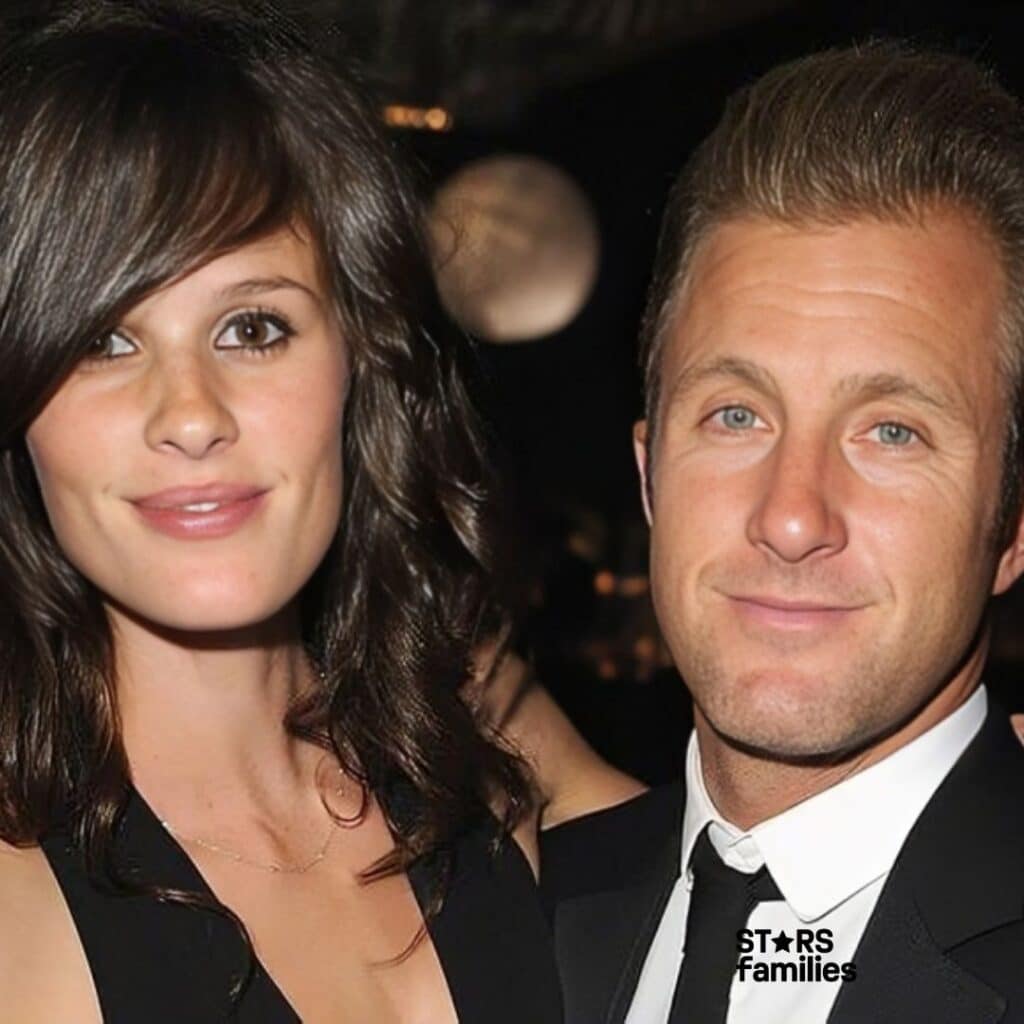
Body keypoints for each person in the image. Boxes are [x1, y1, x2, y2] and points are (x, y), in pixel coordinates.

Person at [0, 3, 567, 1021]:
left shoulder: (485, 756)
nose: (190, 415)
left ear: (359, 355)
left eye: (252, 325)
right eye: (104, 341)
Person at [541, 42, 1024, 1024]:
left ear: (1013, 525)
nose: (792, 515)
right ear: (647, 474)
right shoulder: (491, 921)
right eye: (734, 415)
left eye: (891, 430)